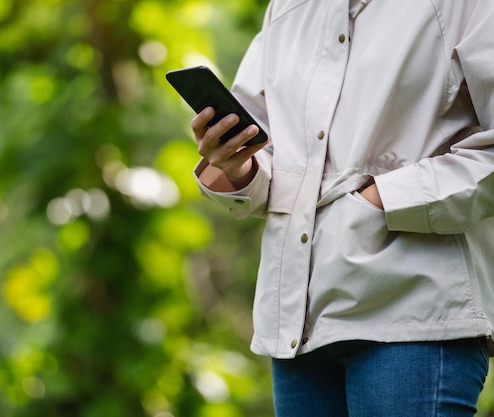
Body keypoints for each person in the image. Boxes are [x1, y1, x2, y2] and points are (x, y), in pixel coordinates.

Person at [190, 0, 494, 416]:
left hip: (413, 312)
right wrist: (237, 165)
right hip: (298, 326)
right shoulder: (287, 7)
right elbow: (267, 154)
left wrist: (381, 199)